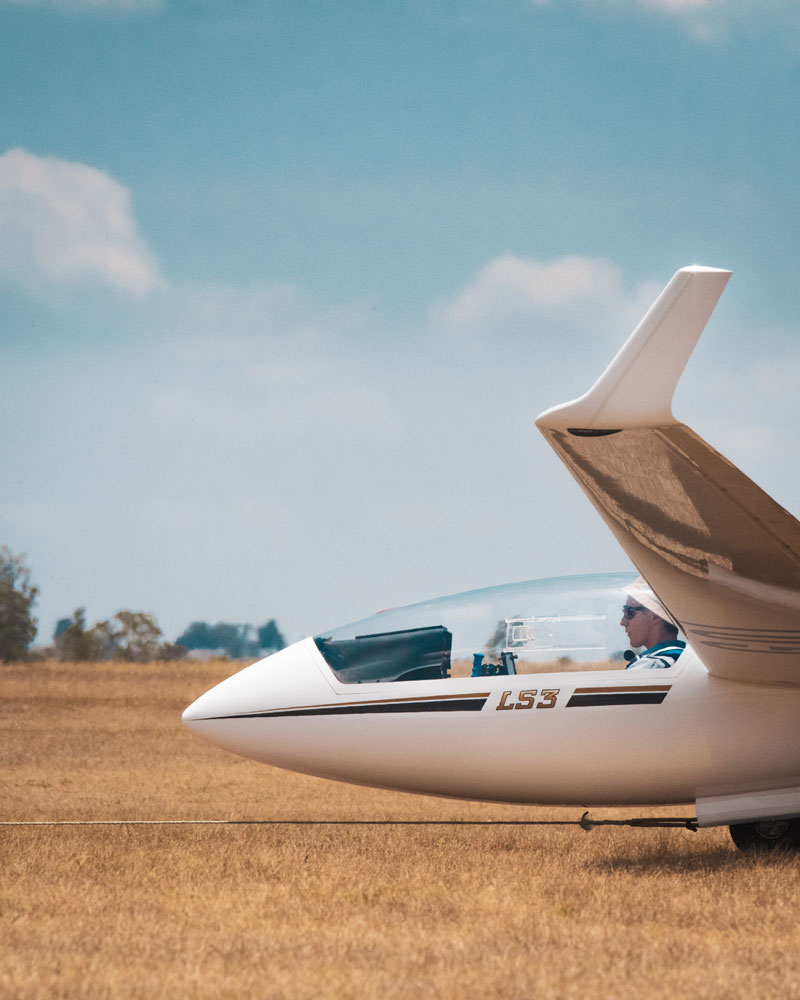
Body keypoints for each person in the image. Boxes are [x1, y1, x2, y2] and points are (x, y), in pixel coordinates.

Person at [620, 577, 685, 670]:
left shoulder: (650, 666)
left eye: (629, 612)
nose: (622, 622)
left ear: (655, 614)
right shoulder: (685, 658)